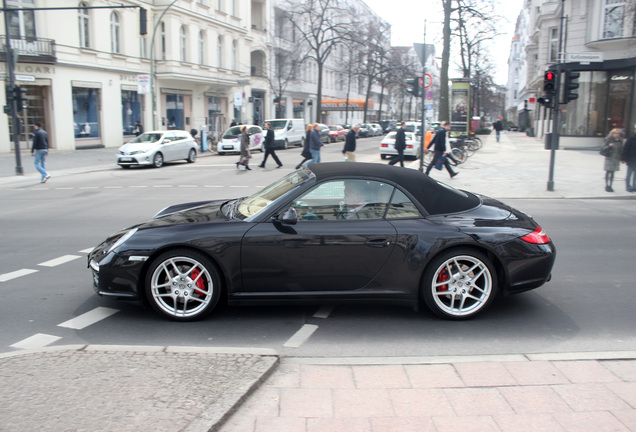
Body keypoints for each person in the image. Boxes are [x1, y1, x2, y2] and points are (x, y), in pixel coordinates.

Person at [602, 128, 623, 192]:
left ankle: (611, 185)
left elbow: (621, 150)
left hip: (616, 158)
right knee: (608, 171)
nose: (617, 135)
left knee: (613, 172)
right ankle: (607, 185)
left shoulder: (620, 140)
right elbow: (603, 148)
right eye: (616, 133)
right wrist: (609, 146)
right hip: (609, 157)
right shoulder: (608, 139)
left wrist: (622, 158)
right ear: (612, 133)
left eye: (618, 133)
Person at [621, 124, 636, 192]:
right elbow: (625, 149)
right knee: (629, 174)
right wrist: (623, 158)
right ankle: (628, 186)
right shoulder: (630, 139)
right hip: (631, 160)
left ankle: (634, 187)